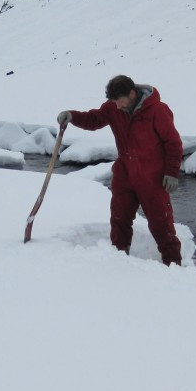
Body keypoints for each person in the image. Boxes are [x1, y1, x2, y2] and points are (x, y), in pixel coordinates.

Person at [57, 75, 183, 266]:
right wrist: (72, 115)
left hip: (152, 178)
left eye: (119, 101)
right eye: (113, 101)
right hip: (124, 174)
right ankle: (118, 259)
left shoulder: (158, 111)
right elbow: (94, 119)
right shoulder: (113, 108)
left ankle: (174, 265)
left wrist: (172, 172)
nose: (116, 106)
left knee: (161, 224)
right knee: (119, 219)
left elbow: (173, 143)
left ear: (131, 93)